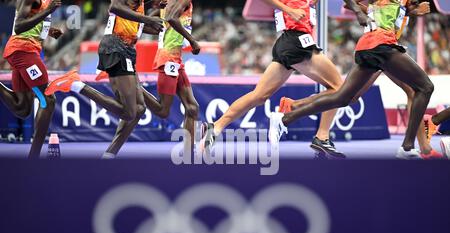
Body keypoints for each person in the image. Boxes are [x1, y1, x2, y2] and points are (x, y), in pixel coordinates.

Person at [270, 0, 435, 159]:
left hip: (372, 47)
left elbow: (388, 12)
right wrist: (359, 12)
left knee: (343, 98)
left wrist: (410, 10)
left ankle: (287, 116)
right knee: (424, 87)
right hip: (382, 45)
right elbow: (348, 3)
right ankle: (409, 147)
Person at [200, 0, 347, 158]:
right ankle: (319, 134)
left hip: (286, 43)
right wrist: (289, 10)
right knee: (339, 89)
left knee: (259, 96)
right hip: (297, 41)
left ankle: (215, 127)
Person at [45, 0, 164, 158]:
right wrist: (148, 19)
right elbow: (114, 7)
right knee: (129, 113)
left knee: (140, 109)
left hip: (126, 49)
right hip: (116, 47)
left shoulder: (139, 6)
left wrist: (162, 26)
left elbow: (139, 24)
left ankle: (109, 155)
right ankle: (76, 85)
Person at [0, 0, 63, 158]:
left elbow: (31, 20)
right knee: (48, 100)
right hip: (23, 50)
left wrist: (49, 31)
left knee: (23, 108)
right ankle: (33, 159)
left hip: (26, 50)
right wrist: (48, 11)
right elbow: (19, 26)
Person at [150, 0, 201, 154]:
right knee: (163, 111)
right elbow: (171, 19)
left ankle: (188, 153)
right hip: (168, 58)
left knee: (192, 108)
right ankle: (135, 87)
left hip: (176, 60)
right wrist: (192, 41)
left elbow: (151, 23)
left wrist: (161, 21)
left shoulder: (169, 3)